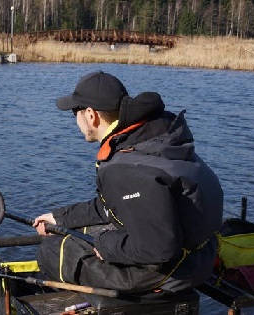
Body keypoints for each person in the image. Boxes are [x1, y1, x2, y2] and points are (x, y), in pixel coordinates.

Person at [33, 71, 223, 294]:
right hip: (203, 253)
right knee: (70, 231)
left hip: (175, 270)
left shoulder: (125, 168)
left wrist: (105, 246)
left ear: (90, 115)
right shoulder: (155, 138)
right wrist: (59, 218)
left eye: (75, 112)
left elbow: (159, 249)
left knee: (51, 251)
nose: (75, 119)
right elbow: (113, 204)